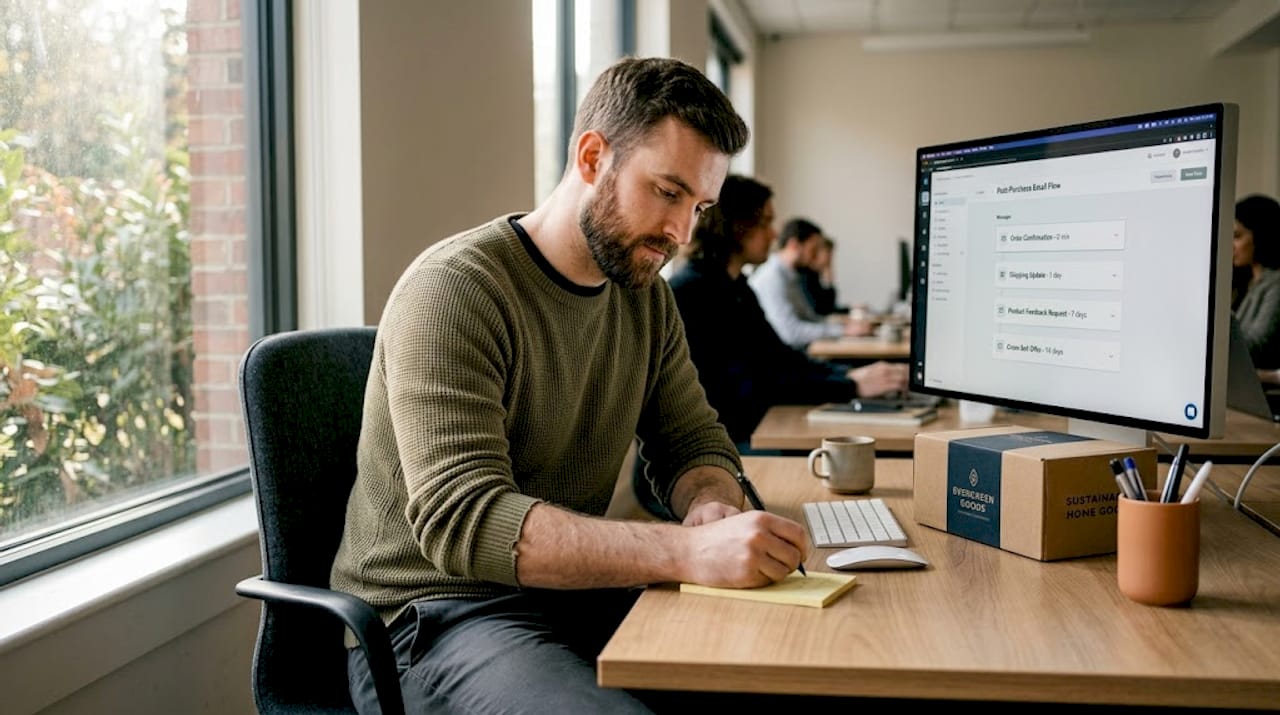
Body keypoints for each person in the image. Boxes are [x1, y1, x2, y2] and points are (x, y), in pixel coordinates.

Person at [329, 57, 810, 714]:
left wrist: (711, 504)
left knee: (784, 666)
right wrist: (687, 549)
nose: (681, 232)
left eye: (698, 206)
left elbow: (692, 439)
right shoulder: (456, 291)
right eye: (667, 192)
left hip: (562, 601)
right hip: (432, 621)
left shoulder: (646, 300)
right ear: (591, 157)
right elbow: (465, 520)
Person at [664, 175, 907, 449]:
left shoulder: (737, 287)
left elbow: (782, 359)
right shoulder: (693, 293)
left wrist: (850, 376)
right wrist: (850, 386)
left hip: (744, 428)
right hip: (713, 448)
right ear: (737, 226)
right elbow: (755, 386)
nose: (775, 234)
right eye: (766, 222)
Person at [748, 216, 872, 349]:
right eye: (813, 249)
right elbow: (791, 334)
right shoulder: (771, 277)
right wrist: (843, 331)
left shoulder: (792, 275)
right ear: (794, 245)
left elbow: (810, 318)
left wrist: (844, 327)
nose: (816, 256)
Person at [1232, 193, 1280, 370]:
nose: (1230, 244)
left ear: (1260, 235)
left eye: (1237, 236)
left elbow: (1259, 346)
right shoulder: (1248, 282)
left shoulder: (1276, 284)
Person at [795, 227, 848, 316]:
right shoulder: (805, 275)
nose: (830, 259)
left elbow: (830, 307)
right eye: (828, 254)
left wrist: (851, 310)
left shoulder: (815, 274)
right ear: (816, 253)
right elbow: (820, 310)